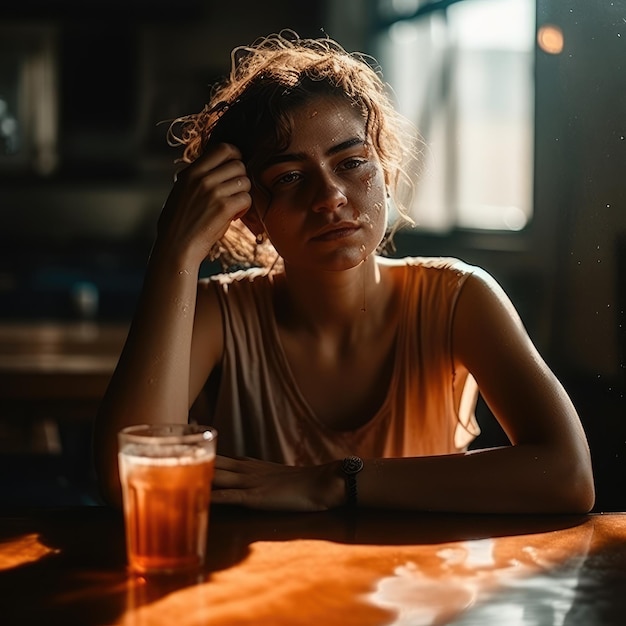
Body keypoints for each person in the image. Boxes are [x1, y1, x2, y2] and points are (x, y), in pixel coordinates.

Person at [93, 30, 595, 514]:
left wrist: (333, 482)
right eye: (289, 177)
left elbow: (568, 475)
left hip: (426, 594)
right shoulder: (221, 314)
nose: (330, 197)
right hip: (260, 595)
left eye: (352, 162)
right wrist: (175, 251)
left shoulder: (458, 298)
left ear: (387, 173)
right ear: (249, 212)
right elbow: (127, 483)